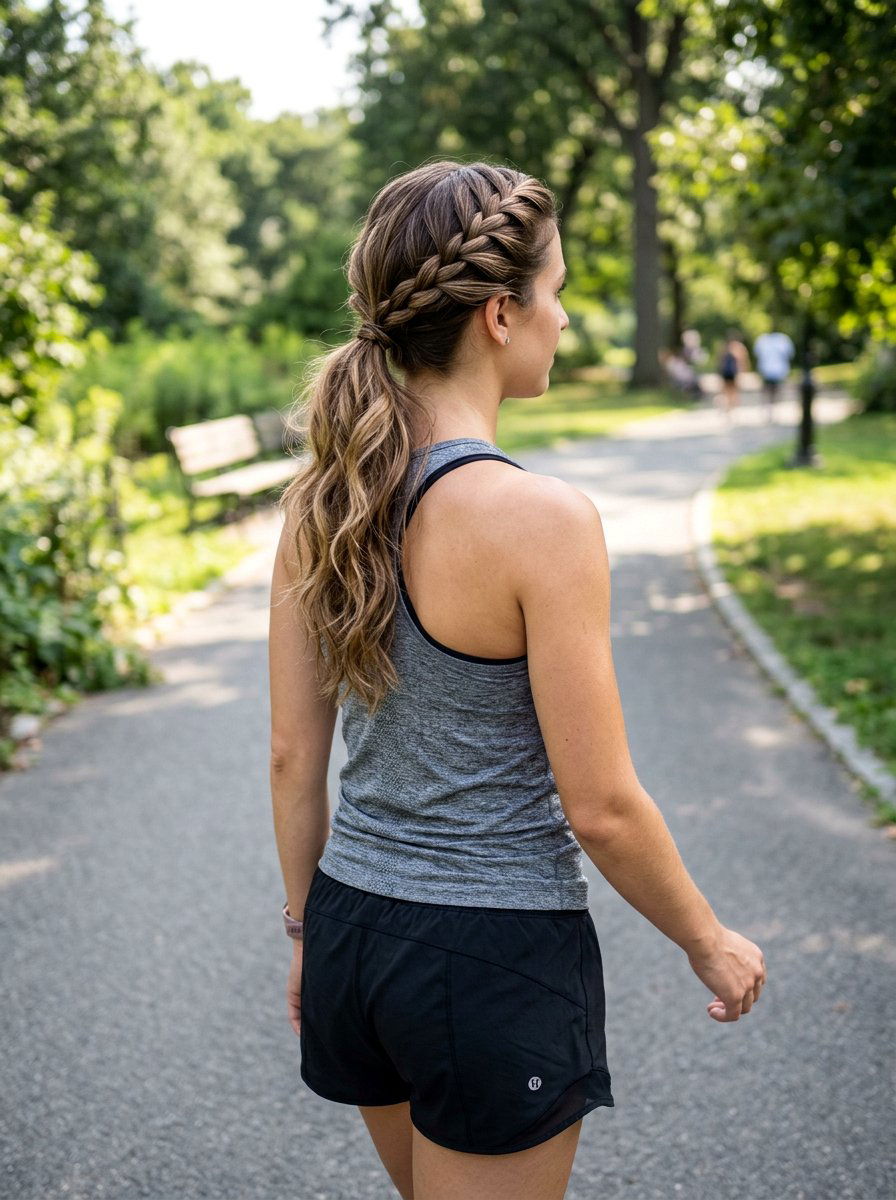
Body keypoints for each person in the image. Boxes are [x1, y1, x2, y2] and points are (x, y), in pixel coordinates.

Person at [268, 160, 766, 1200]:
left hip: (354, 927)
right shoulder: (539, 523)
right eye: (559, 291)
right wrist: (708, 942)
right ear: (501, 312)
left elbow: (289, 758)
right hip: (487, 958)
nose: (568, 320)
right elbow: (601, 807)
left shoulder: (320, 502)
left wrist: (309, 932)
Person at [753, 327, 795, 422]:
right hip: (775, 370)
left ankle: (770, 410)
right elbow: (790, 355)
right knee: (773, 391)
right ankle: (771, 410)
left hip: (771, 370)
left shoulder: (764, 340)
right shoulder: (782, 339)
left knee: (770, 391)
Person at [716, 329, 750, 422]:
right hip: (734, 373)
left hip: (725, 372)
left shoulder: (724, 347)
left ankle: (726, 408)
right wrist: (743, 372)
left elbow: (720, 361)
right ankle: (731, 409)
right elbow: (743, 361)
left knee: (726, 391)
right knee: (734, 392)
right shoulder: (739, 347)